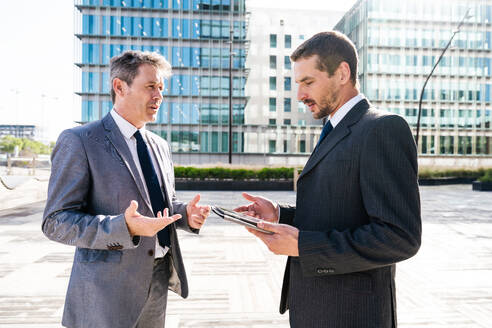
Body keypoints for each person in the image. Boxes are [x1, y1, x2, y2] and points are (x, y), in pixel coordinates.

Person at [235, 31, 422, 327]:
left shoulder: (382, 128)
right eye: (297, 84)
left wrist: (303, 247)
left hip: (351, 315)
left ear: (342, 73)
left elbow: (399, 238)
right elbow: (339, 213)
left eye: (308, 82)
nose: (300, 95)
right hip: (314, 309)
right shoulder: (335, 128)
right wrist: (280, 214)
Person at [42, 50, 210, 328]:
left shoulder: (159, 145)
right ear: (120, 87)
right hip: (104, 293)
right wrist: (125, 227)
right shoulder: (80, 141)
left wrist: (185, 214)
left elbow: (158, 205)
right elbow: (55, 222)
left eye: (161, 88)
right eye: (150, 87)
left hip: (157, 281)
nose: (159, 96)